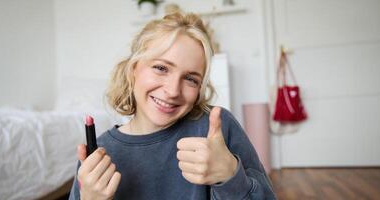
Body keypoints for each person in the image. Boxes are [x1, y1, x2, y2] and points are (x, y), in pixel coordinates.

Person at [69, 12, 277, 200]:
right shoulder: (97, 156)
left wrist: (231, 177)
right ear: (133, 70)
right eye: (161, 68)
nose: (173, 91)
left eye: (190, 79)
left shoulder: (216, 130)